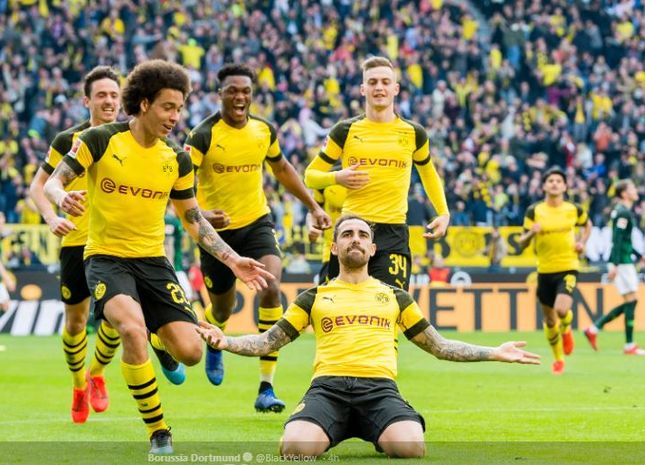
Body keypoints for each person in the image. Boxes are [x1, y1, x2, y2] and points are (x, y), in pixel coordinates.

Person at [43, 59, 274, 454]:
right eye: (168, 107)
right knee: (129, 329)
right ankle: (159, 431)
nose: (175, 116)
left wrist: (233, 259)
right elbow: (51, 182)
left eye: (180, 108)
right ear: (145, 103)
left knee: (192, 353)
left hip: (154, 262)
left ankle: (157, 333)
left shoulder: (176, 160)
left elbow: (194, 220)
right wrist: (62, 198)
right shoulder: (100, 140)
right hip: (105, 259)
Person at [197, 215, 540, 459]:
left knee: (411, 448)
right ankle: (332, 427)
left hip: (379, 390)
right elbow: (269, 341)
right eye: (347, 234)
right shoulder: (314, 296)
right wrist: (225, 342)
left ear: (373, 249)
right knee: (294, 451)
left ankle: (373, 426)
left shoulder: (395, 296)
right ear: (334, 248)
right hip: (327, 389)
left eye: (362, 235)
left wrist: (494, 352)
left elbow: (439, 346)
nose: (356, 239)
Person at [184, 63, 330, 411]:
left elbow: (281, 169)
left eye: (246, 90)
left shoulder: (264, 131)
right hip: (216, 233)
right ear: (219, 94)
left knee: (270, 287)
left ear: (252, 94)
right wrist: (202, 215)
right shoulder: (202, 136)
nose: (240, 96)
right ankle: (215, 343)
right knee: (222, 306)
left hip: (256, 224)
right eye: (232, 90)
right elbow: (181, 186)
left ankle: (266, 386)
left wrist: (312, 205)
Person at [304, 56, 450, 291]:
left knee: (389, 310)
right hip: (352, 230)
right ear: (363, 89)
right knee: (345, 311)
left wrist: (443, 213)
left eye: (385, 82)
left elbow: (428, 173)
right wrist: (337, 177)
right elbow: (310, 176)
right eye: (372, 82)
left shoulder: (414, 133)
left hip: (393, 231)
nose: (379, 87)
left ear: (396, 88)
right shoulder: (344, 130)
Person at [28, 66, 123, 424]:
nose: (109, 101)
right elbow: (38, 187)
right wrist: (52, 218)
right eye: (101, 95)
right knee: (75, 323)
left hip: (114, 243)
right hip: (75, 242)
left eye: (114, 95)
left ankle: (96, 373)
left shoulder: (130, 136)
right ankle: (77, 386)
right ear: (87, 101)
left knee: (116, 320)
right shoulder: (68, 140)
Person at [518, 167, 592, 375]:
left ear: (565, 186)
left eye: (559, 181)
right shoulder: (534, 211)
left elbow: (588, 225)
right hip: (544, 270)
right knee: (550, 320)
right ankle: (558, 359)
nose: (554, 184)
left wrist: (582, 242)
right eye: (550, 180)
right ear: (544, 186)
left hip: (568, 266)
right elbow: (522, 243)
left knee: (561, 309)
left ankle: (566, 326)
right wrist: (531, 233)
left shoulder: (573, 209)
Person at [584, 180, 645, 355]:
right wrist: (614, 264)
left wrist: (640, 256)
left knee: (631, 300)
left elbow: (625, 240)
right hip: (621, 262)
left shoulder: (622, 211)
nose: (635, 190)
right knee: (632, 300)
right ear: (624, 193)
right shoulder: (622, 213)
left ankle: (596, 330)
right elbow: (616, 240)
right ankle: (626, 344)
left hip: (624, 259)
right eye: (631, 188)